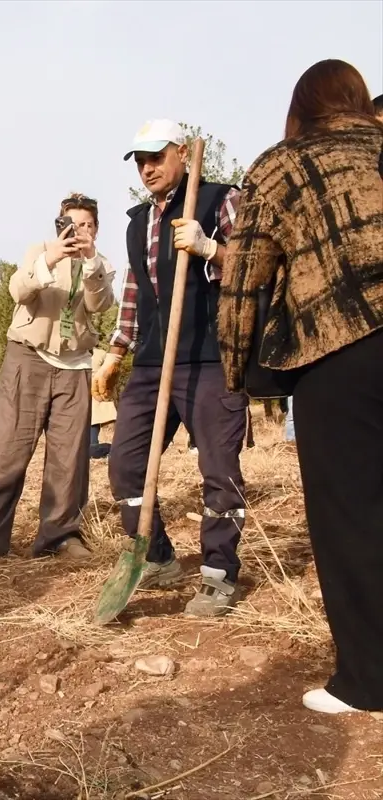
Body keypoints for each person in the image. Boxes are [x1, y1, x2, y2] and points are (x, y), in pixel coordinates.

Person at [219, 59, 383, 716]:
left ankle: (368, 680)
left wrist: (236, 372)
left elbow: (242, 281)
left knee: (352, 516)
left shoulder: (282, 165)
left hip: (340, 350)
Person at [92, 119, 247, 617]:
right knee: (126, 464)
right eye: (140, 161)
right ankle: (157, 557)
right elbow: (135, 289)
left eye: (156, 157)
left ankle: (219, 574)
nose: (147, 168)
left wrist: (210, 249)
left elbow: (256, 265)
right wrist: (116, 352)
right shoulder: (138, 221)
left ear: (182, 153)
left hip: (210, 356)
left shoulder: (220, 199)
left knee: (219, 470)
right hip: (152, 361)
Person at [0, 194, 116, 567]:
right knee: (7, 452)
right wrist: (51, 258)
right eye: (72, 224)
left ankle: (60, 536)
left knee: (70, 459)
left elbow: (99, 305)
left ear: (96, 230)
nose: (79, 231)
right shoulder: (39, 252)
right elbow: (18, 291)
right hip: (28, 358)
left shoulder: (100, 264)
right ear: (59, 226)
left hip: (75, 365)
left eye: (87, 225)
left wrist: (90, 262)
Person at [89, 347, 117, 459]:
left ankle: (94, 444)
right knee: (94, 419)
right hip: (96, 388)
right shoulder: (101, 353)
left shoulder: (99, 353)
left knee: (93, 419)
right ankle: (93, 444)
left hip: (96, 388)